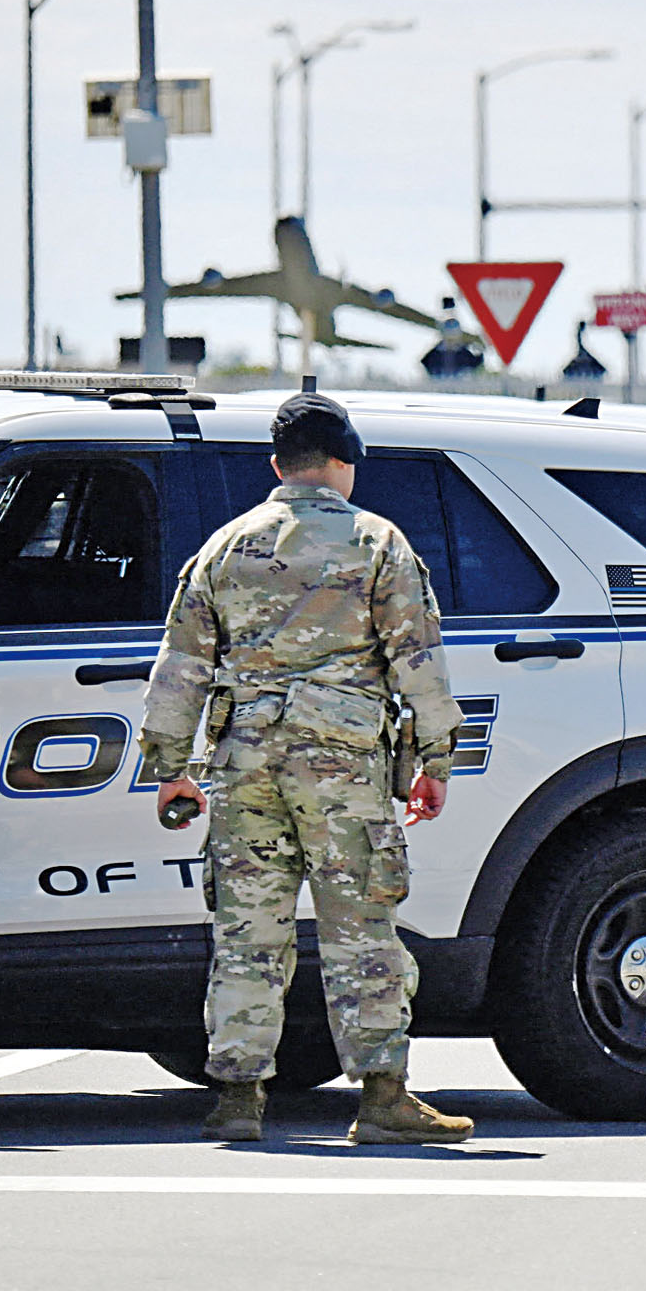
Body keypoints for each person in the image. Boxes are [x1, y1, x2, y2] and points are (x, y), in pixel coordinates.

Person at [141, 393, 473, 1146]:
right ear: (343, 462)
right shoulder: (376, 541)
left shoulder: (225, 545)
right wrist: (435, 760)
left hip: (245, 765)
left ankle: (235, 1097)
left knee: (247, 929)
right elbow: (418, 660)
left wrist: (170, 768)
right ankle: (383, 1095)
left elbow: (181, 666)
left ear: (276, 466)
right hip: (340, 765)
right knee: (360, 925)